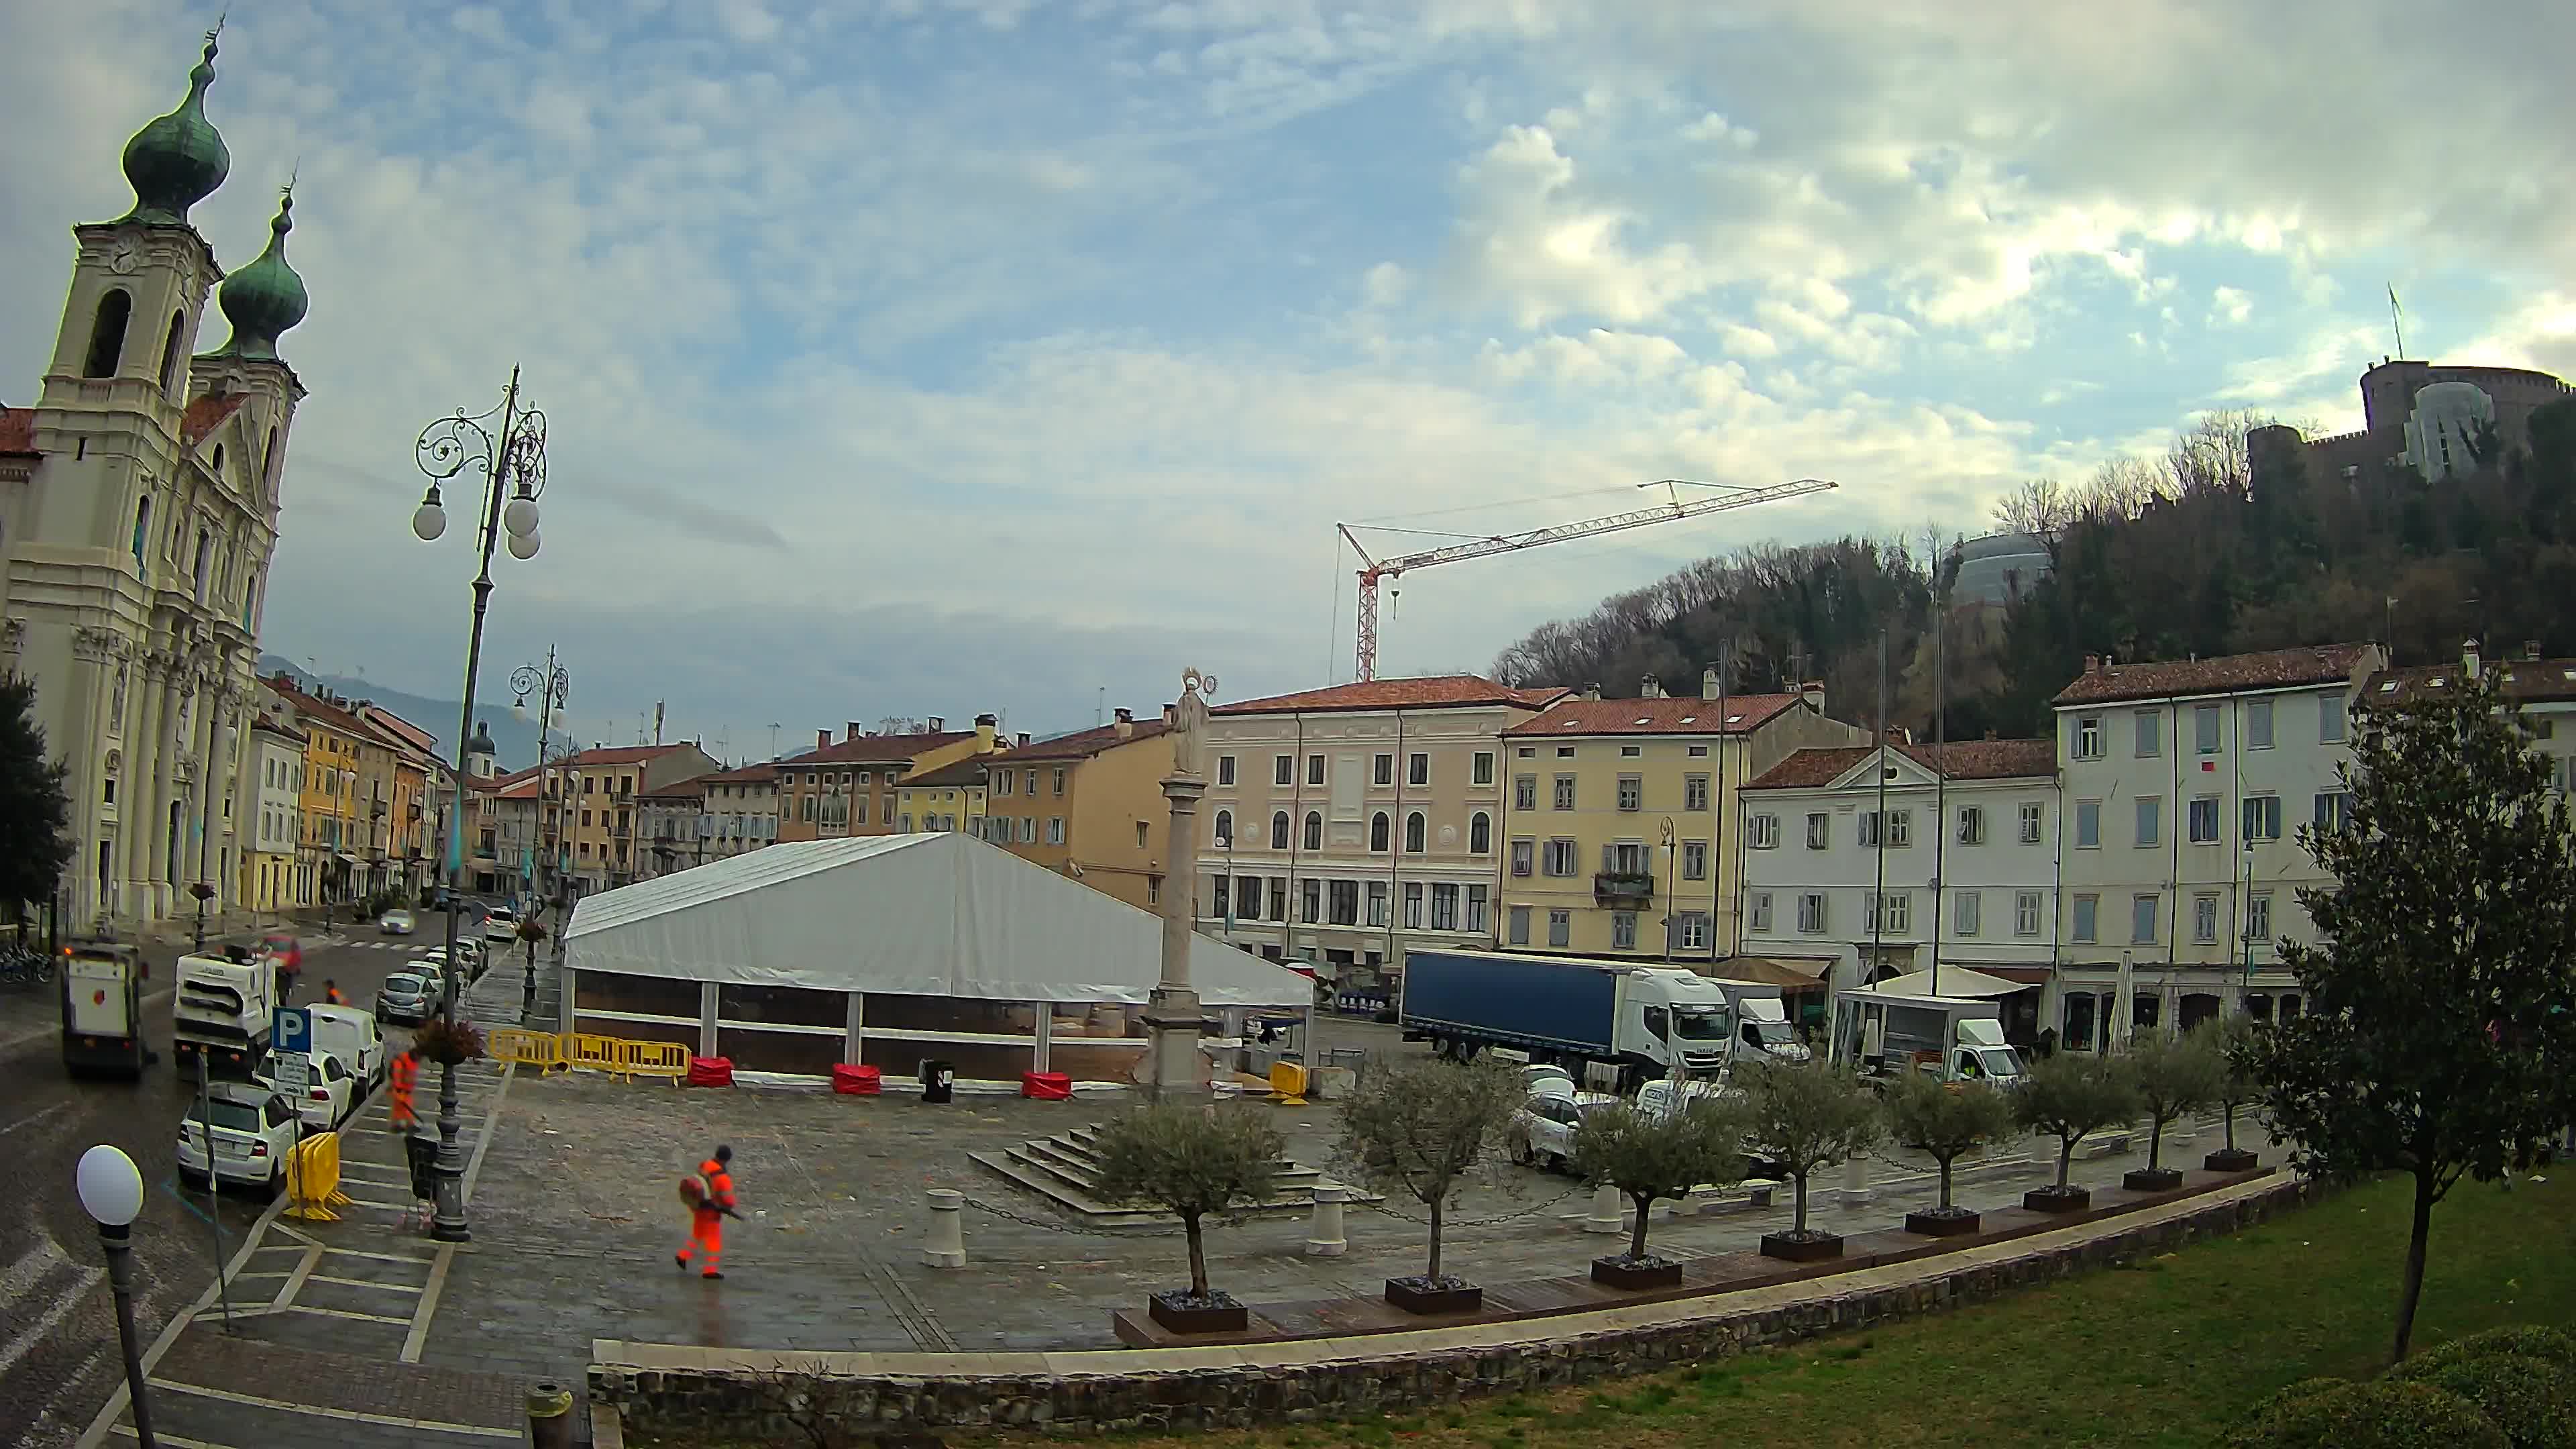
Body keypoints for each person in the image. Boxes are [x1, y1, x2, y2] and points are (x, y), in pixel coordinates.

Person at [677, 1144, 739, 1280]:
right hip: (711, 1212)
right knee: (713, 1241)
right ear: (727, 1159)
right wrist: (729, 1207)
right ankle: (710, 1271)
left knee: (698, 1234)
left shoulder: (705, 1164)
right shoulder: (722, 1177)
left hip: (698, 1206)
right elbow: (728, 1200)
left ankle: (683, 1256)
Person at [388, 1043, 419, 1134]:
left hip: (405, 1089)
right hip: (400, 1090)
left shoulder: (412, 1061)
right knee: (405, 1108)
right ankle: (409, 1125)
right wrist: (398, 1089)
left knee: (400, 1109)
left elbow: (411, 1076)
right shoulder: (402, 1061)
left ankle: (396, 1126)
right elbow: (397, 1076)